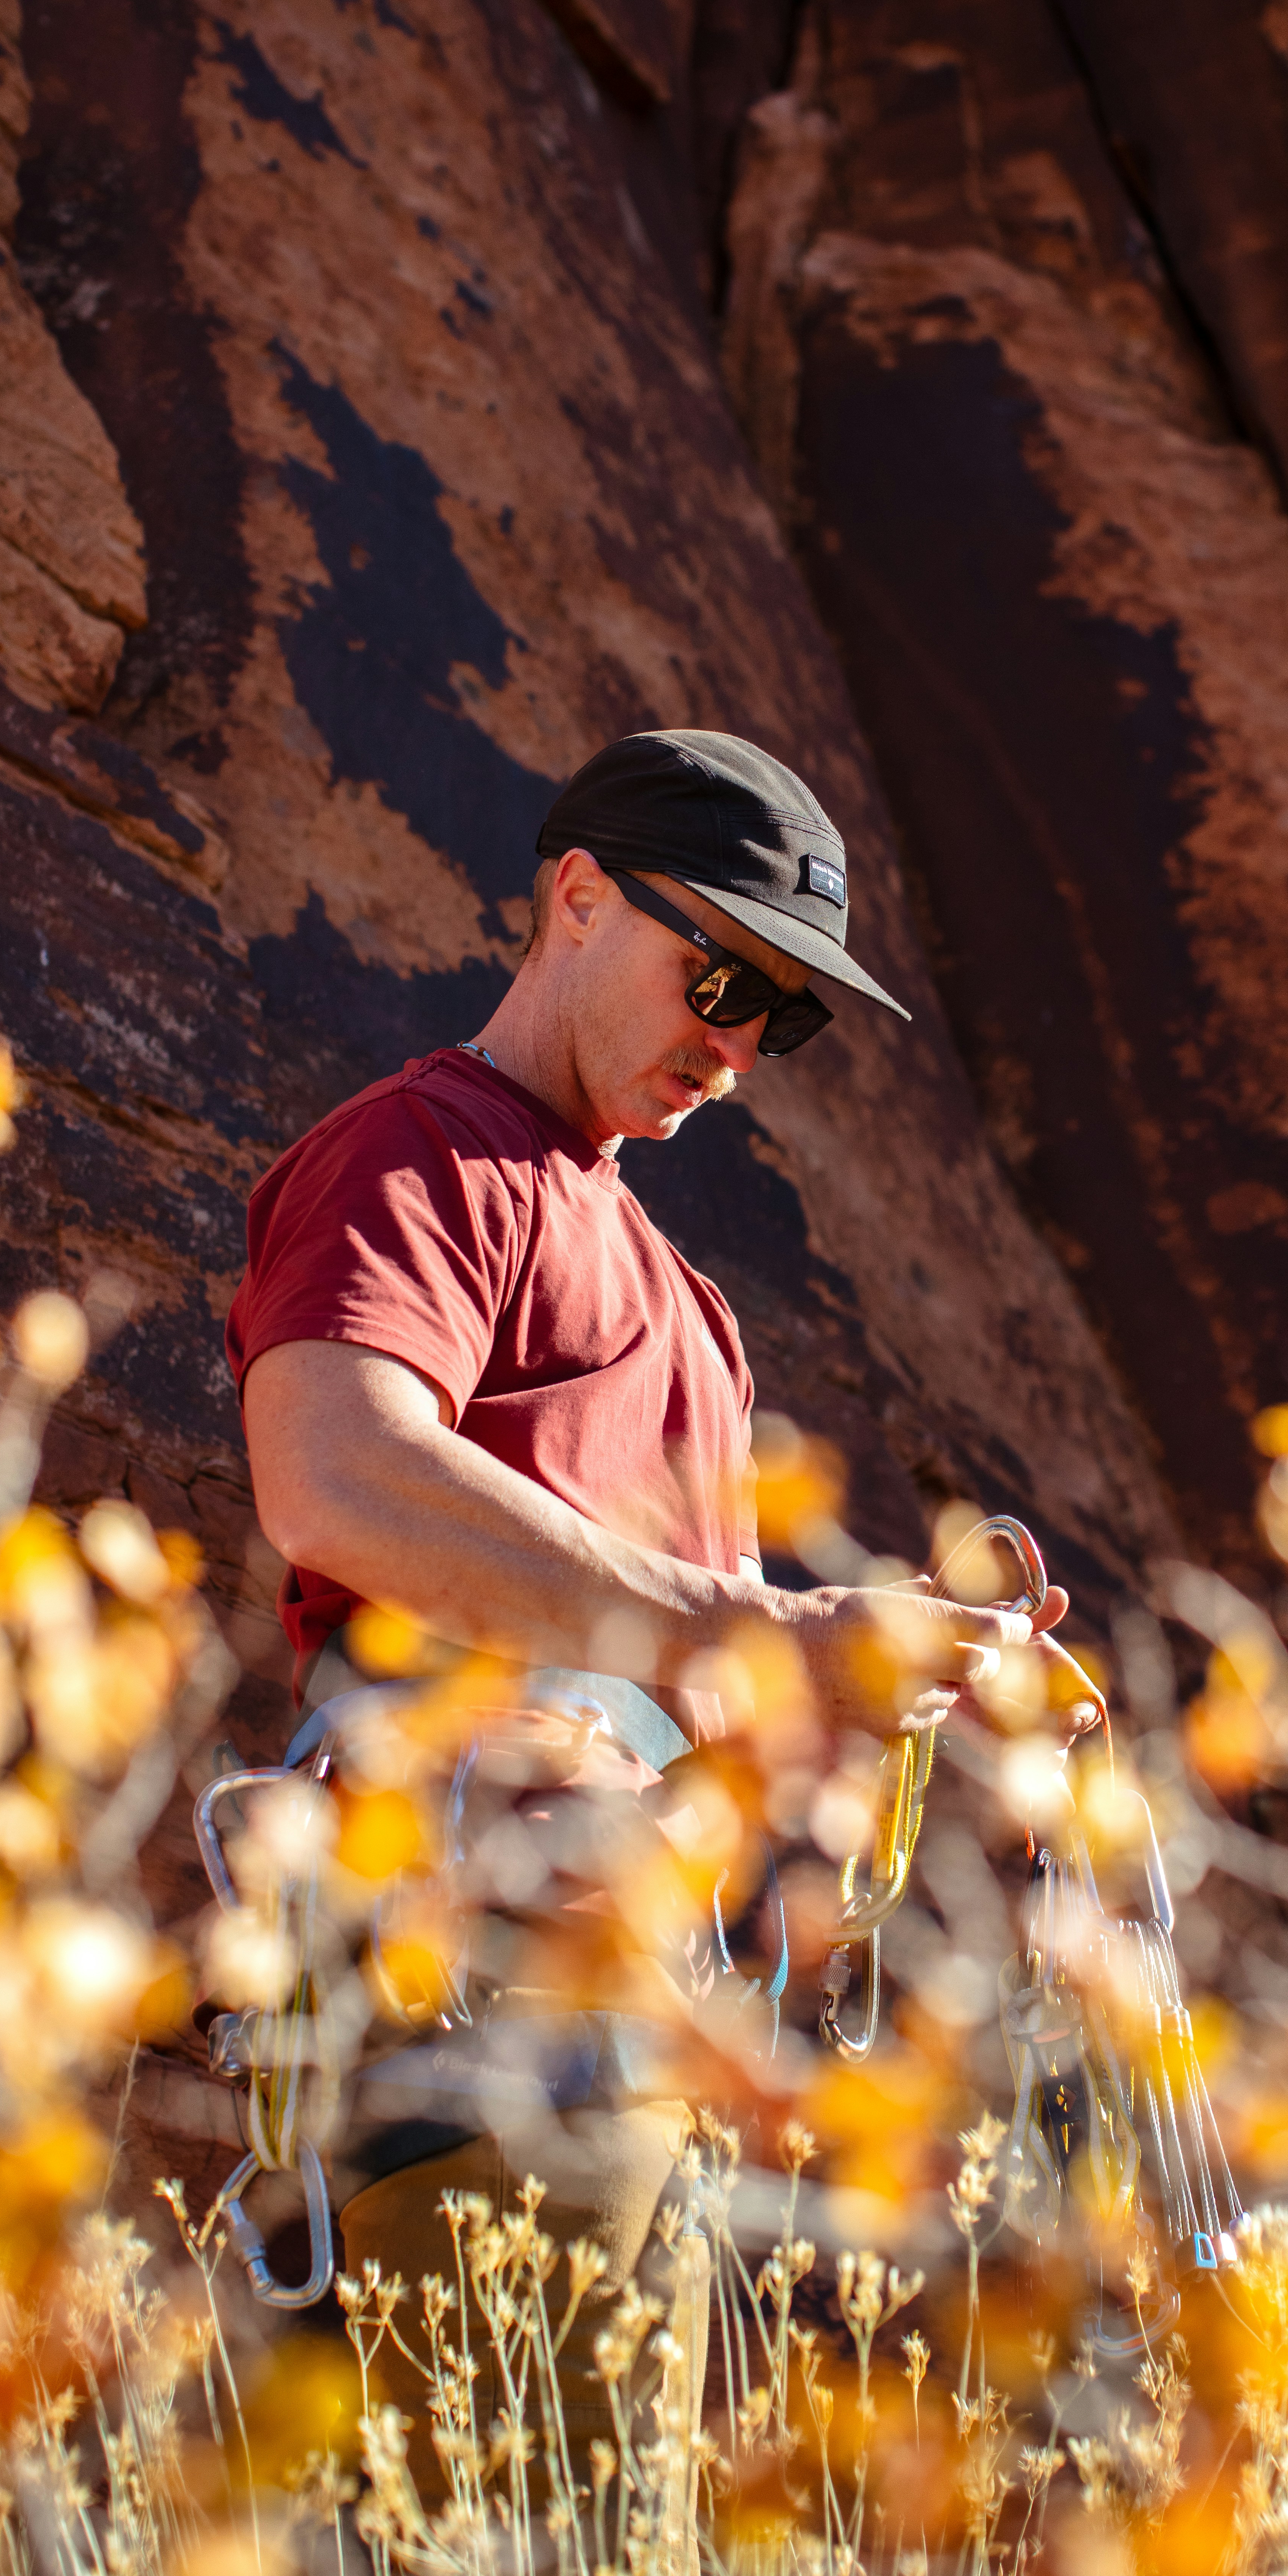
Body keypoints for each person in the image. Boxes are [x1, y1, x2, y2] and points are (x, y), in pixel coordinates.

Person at [225, 729, 1065, 2478]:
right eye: (722, 976)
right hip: (474, 1966)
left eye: (788, 1018)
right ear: (578, 900)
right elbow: (331, 1474)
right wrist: (730, 1631)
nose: (740, 1047)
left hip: (653, 2009)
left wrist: (892, 1662)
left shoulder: (693, 1309)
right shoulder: (422, 1154)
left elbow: (702, 1652)